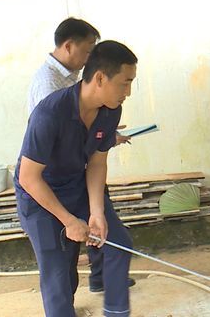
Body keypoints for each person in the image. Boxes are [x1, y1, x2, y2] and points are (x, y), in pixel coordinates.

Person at [15, 40, 137, 317]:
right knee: (59, 275)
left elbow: (96, 162)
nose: (128, 92)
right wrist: (69, 220)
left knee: (118, 242)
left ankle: (117, 313)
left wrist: (97, 213)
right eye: (125, 83)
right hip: (39, 194)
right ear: (100, 78)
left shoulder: (110, 109)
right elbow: (29, 177)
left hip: (76, 184)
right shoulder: (50, 113)